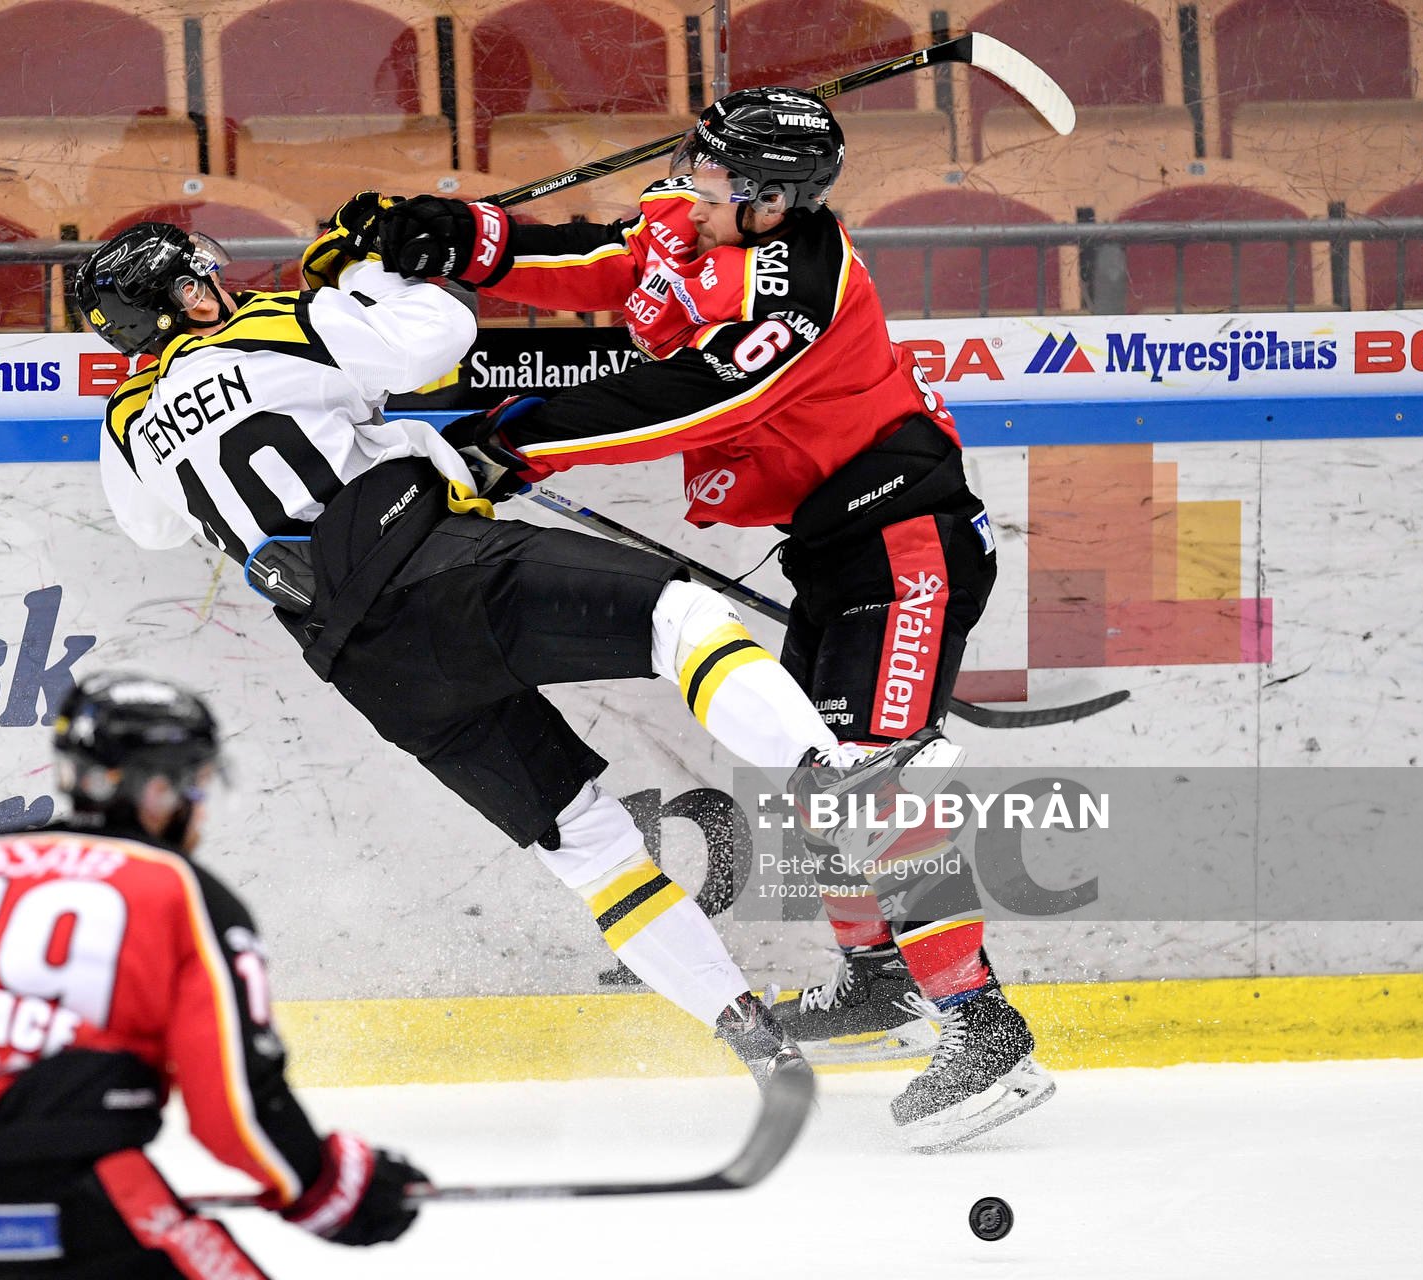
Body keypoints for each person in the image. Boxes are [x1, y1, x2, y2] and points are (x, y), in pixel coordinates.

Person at [371, 85, 1054, 1150]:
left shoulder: (802, 288)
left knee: (874, 774)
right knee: (817, 773)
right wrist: (470, 237)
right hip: (838, 547)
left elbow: (695, 396)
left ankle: (981, 1023)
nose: (689, 182)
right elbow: (609, 258)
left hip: (906, 542)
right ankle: (879, 979)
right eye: (696, 160)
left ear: (774, 202)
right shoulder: (699, 218)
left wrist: (523, 440)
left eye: (714, 174)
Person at [70, 207, 860, 1089]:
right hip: (438, 569)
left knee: (588, 847)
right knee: (682, 619)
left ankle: (749, 1037)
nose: (220, 280)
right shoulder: (277, 320)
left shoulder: (126, 422)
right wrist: (366, 278)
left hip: (364, 664)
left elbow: (148, 526)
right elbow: (439, 338)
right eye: (200, 275)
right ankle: (826, 776)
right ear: (187, 294)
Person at [0, 672, 423, 1277]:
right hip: (72, 1206)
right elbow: (235, 1105)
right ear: (160, 789)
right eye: (193, 782)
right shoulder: (181, 892)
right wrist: (329, 1186)